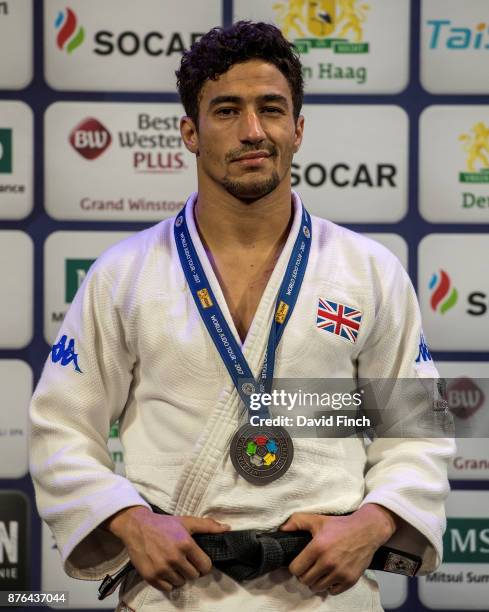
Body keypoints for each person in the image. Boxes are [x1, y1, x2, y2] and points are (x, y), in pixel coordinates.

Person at [30, 21, 454, 612]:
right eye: (227, 110)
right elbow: (61, 429)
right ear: (189, 132)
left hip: (325, 590)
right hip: (174, 590)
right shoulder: (122, 275)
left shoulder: (369, 271)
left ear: (298, 129)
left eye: (271, 109)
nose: (253, 131)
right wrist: (129, 521)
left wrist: (376, 521)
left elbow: (417, 433)